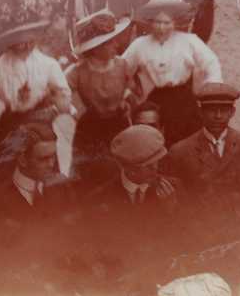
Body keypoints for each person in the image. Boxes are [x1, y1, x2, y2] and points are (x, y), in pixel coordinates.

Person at [164, 84, 240, 292]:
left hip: (235, 242)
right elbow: (173, 202)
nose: (217, 116)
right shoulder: (180, 152)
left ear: (232, 112)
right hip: (198, 245)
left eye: (223, 110)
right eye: (210, 109)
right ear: (200, 112)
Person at [67, 124, 188, 292]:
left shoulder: (174, 188)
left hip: (166, 281)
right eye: (148, 165)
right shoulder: (98, 200)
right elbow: (92, 249)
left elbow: (187, 239)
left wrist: (172, 208)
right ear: (128, 167)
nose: (156, 169)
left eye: (157, 161)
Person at [0, 123, 75, 296]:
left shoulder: (63, 189)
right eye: (43, 159)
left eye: (53, 157)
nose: (51, 164)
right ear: (22, 159)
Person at [0, 15, 72, 189]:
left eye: (30, 39)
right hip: (12, 124)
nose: (26, 45)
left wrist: (63, 110)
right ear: (10, 41)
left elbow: (63, 92)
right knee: (7, 173)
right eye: (20, 41)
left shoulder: (47, 64)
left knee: (46, 170)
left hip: (42, 122)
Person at [123, 0, 223, 145]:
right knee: (153, 140)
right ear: (151, 22)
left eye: (166, 23)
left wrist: (212, 88)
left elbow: (211, 63)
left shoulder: (189, 41)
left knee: (187, 139)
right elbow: (122, 68)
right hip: (153, 100)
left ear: (174, 22)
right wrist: (128, 93)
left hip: (183, 98)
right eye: (157, 22)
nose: (161, 28)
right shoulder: (140, 45)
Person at [67, 11, 135, 185]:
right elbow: (63, 94)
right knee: (92, 166)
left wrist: (126, 98)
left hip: (118, 122)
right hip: (91, 125)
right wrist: (74, 108)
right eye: (110, 42)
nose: (116, 44)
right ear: (96, 49)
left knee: (122, 160)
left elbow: (130, 87)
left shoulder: (121, 65)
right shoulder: (79, 71)